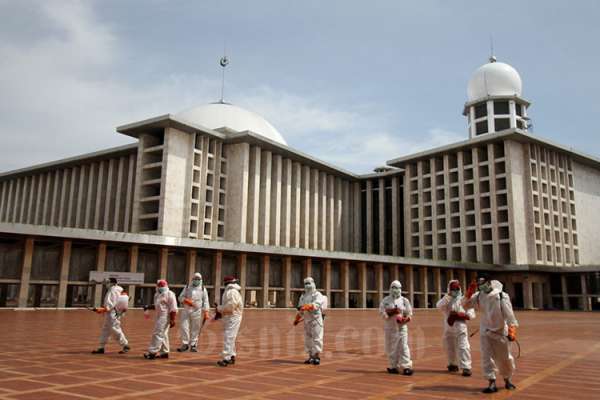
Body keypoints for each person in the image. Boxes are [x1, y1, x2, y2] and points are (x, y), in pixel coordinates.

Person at [463, 273, 519, 393]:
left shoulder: (501, 296)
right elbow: (465, 305)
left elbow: (510, 316)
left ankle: (507, 379)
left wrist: (512, 330)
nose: (480, 286)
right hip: (485, 332)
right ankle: (491, 382)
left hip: (500, 332)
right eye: (478, 284)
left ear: (488, 282)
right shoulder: (478, 296)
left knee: (504, 358)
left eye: (482, 283)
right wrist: (469, 292)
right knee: (486, 357)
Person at [436, 279, 475, 376]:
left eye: (457, 288)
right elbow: (439, 306)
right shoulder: (446, 300)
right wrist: (448, 296)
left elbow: (471, 314)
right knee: (449, 347)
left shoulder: (464, 300)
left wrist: (459, 315)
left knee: (463, 346)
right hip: (448, 328)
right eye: (453, 289)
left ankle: (466, 367)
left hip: (460, 327)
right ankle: (452, 364)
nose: (455, 290)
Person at [379, 280, 413, 375]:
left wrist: (405, 319)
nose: (395, 290)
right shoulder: (385, 300)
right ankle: (392, 366)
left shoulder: (404, 301)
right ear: (390, 288)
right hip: (389, 328)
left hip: (401, 328)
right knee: (391, 348)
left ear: (400, 289)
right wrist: (392, 312)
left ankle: (406, 366)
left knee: (403, 347)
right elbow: (382, 313)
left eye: (397, 288)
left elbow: (409, 314)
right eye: (393, 287)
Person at [91, 278, 130, 354]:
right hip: (111, 313)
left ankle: (125, 345)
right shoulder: (115, 289)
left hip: (113, 313)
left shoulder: (113, 290)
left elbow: (111, 303)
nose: (106, 284)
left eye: (108, 282)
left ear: (112, 283)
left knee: (114, 329)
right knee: (105, 329)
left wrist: (102, 310)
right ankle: (101, 347)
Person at [295, 277, 327, 365]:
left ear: (313, 283)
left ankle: (316, 356)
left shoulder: (318, 294)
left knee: (317, 338)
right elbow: (300, 309)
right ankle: (310, 356)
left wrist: (306, 307)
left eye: (309, 283)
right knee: (307, 339)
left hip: (316, 320)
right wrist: (297, 319)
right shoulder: (303, 296)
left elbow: (315, 305)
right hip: (307, 321)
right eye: (306, 284)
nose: (307, 285)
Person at [143, 279, 178, 360]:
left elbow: (173, 308)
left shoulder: (170, 294)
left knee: (157, 333)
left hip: (165, 316)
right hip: (158, 316)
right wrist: (148, 306)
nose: (161, 286)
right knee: (164, 334)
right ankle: (164, 352)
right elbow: (157, 305)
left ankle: (152, 352)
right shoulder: (157, 294)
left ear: (166, 285)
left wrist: (172, 320)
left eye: (163, 285)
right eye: (160, 285)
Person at [177, 272, 210, 352]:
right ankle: (185, 344)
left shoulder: (203, 288)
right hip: (186, 310)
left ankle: (193, 345)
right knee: (184, 326)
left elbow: (206, 301)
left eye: (198, 279)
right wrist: (186, 300)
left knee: (195, 328)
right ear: (192, 279)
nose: (196, 280)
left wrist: (206, 312)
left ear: (201, 280)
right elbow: (180, 297)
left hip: (197, 311)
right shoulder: (188, 287)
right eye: (195, 279)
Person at [216, 275, 243, 367]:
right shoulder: (230, 291)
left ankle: (226, 358)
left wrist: (219, 308)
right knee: (231, 337)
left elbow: (230, 307)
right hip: (229, 317)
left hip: (233, 317)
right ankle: (231, 356)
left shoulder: (232, 292)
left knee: (229, 337)